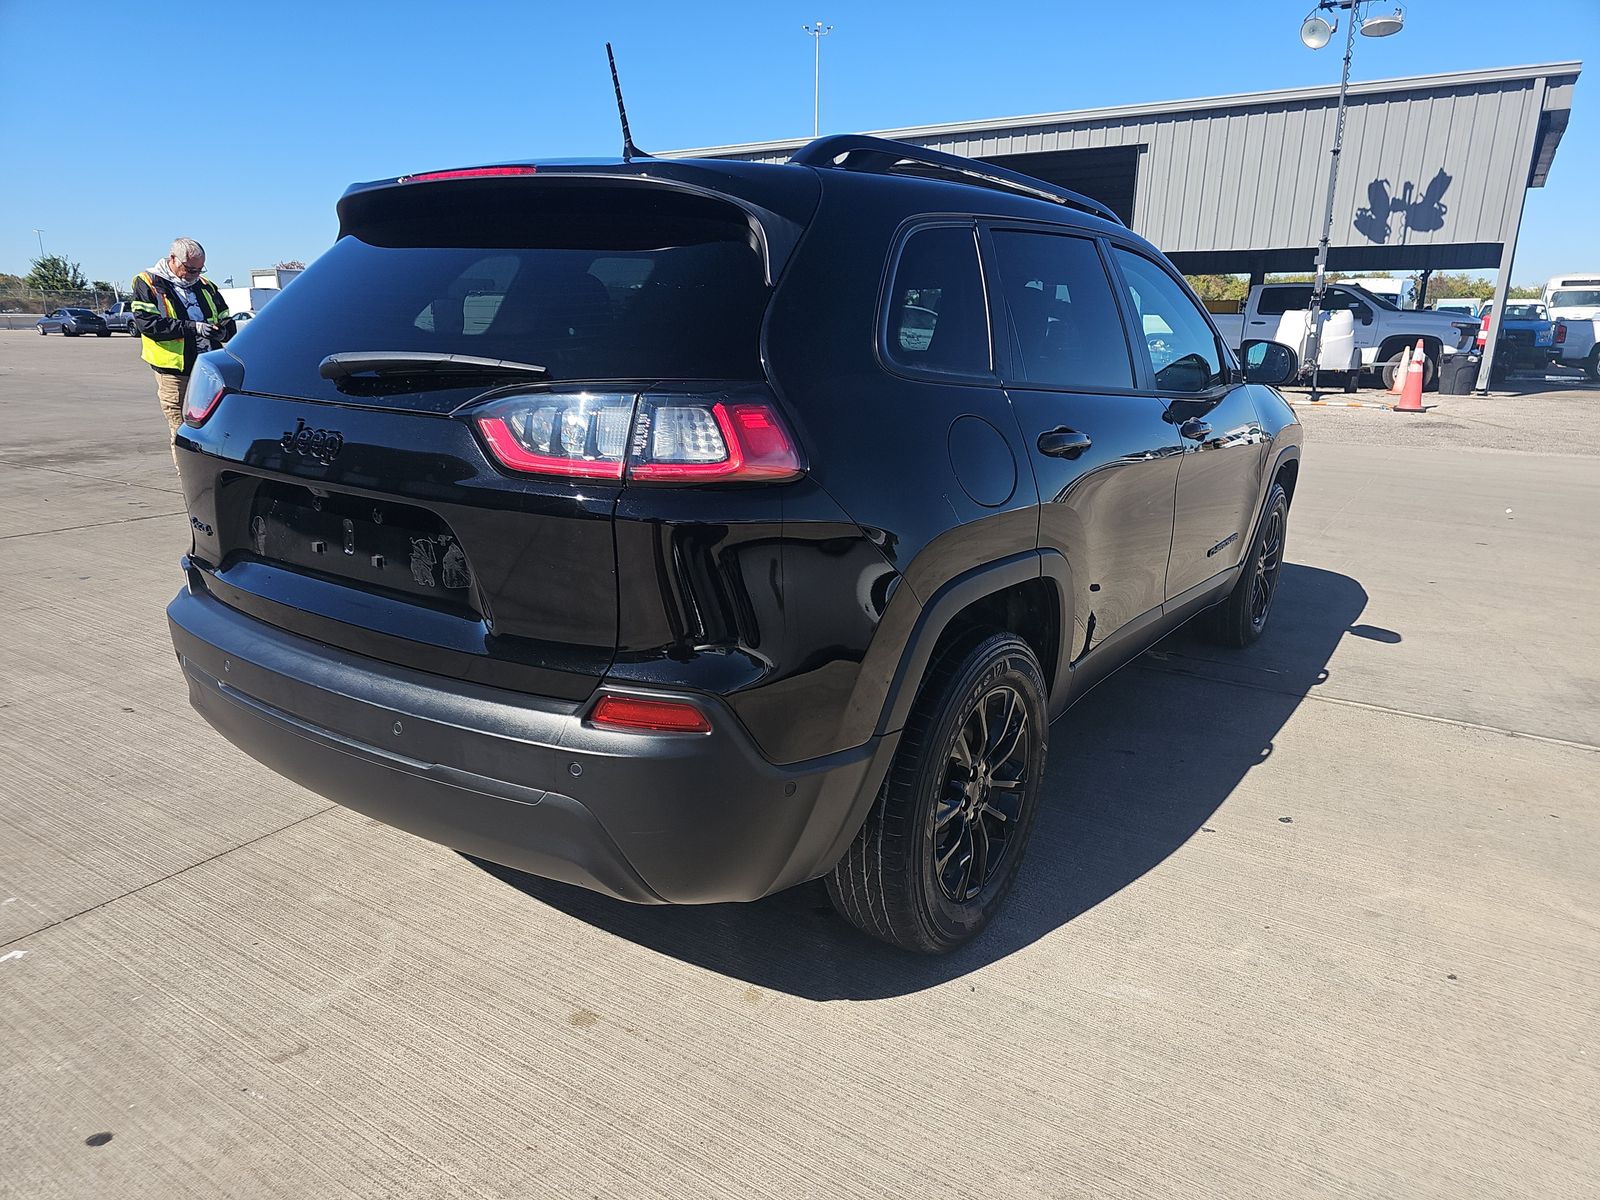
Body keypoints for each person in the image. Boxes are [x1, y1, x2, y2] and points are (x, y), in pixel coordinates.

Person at [130, 238, 235, 467]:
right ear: (173, 259)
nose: (194, 274)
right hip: (175, 372)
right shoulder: (149, 282)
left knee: (215, 426)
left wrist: (221, 332)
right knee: (182, 428)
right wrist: (193, 328)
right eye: (190, 269)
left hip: (208, 369)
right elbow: (148, 325)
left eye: (199, 269)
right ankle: (188, 479)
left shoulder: (205, 285)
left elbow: (227, 321)